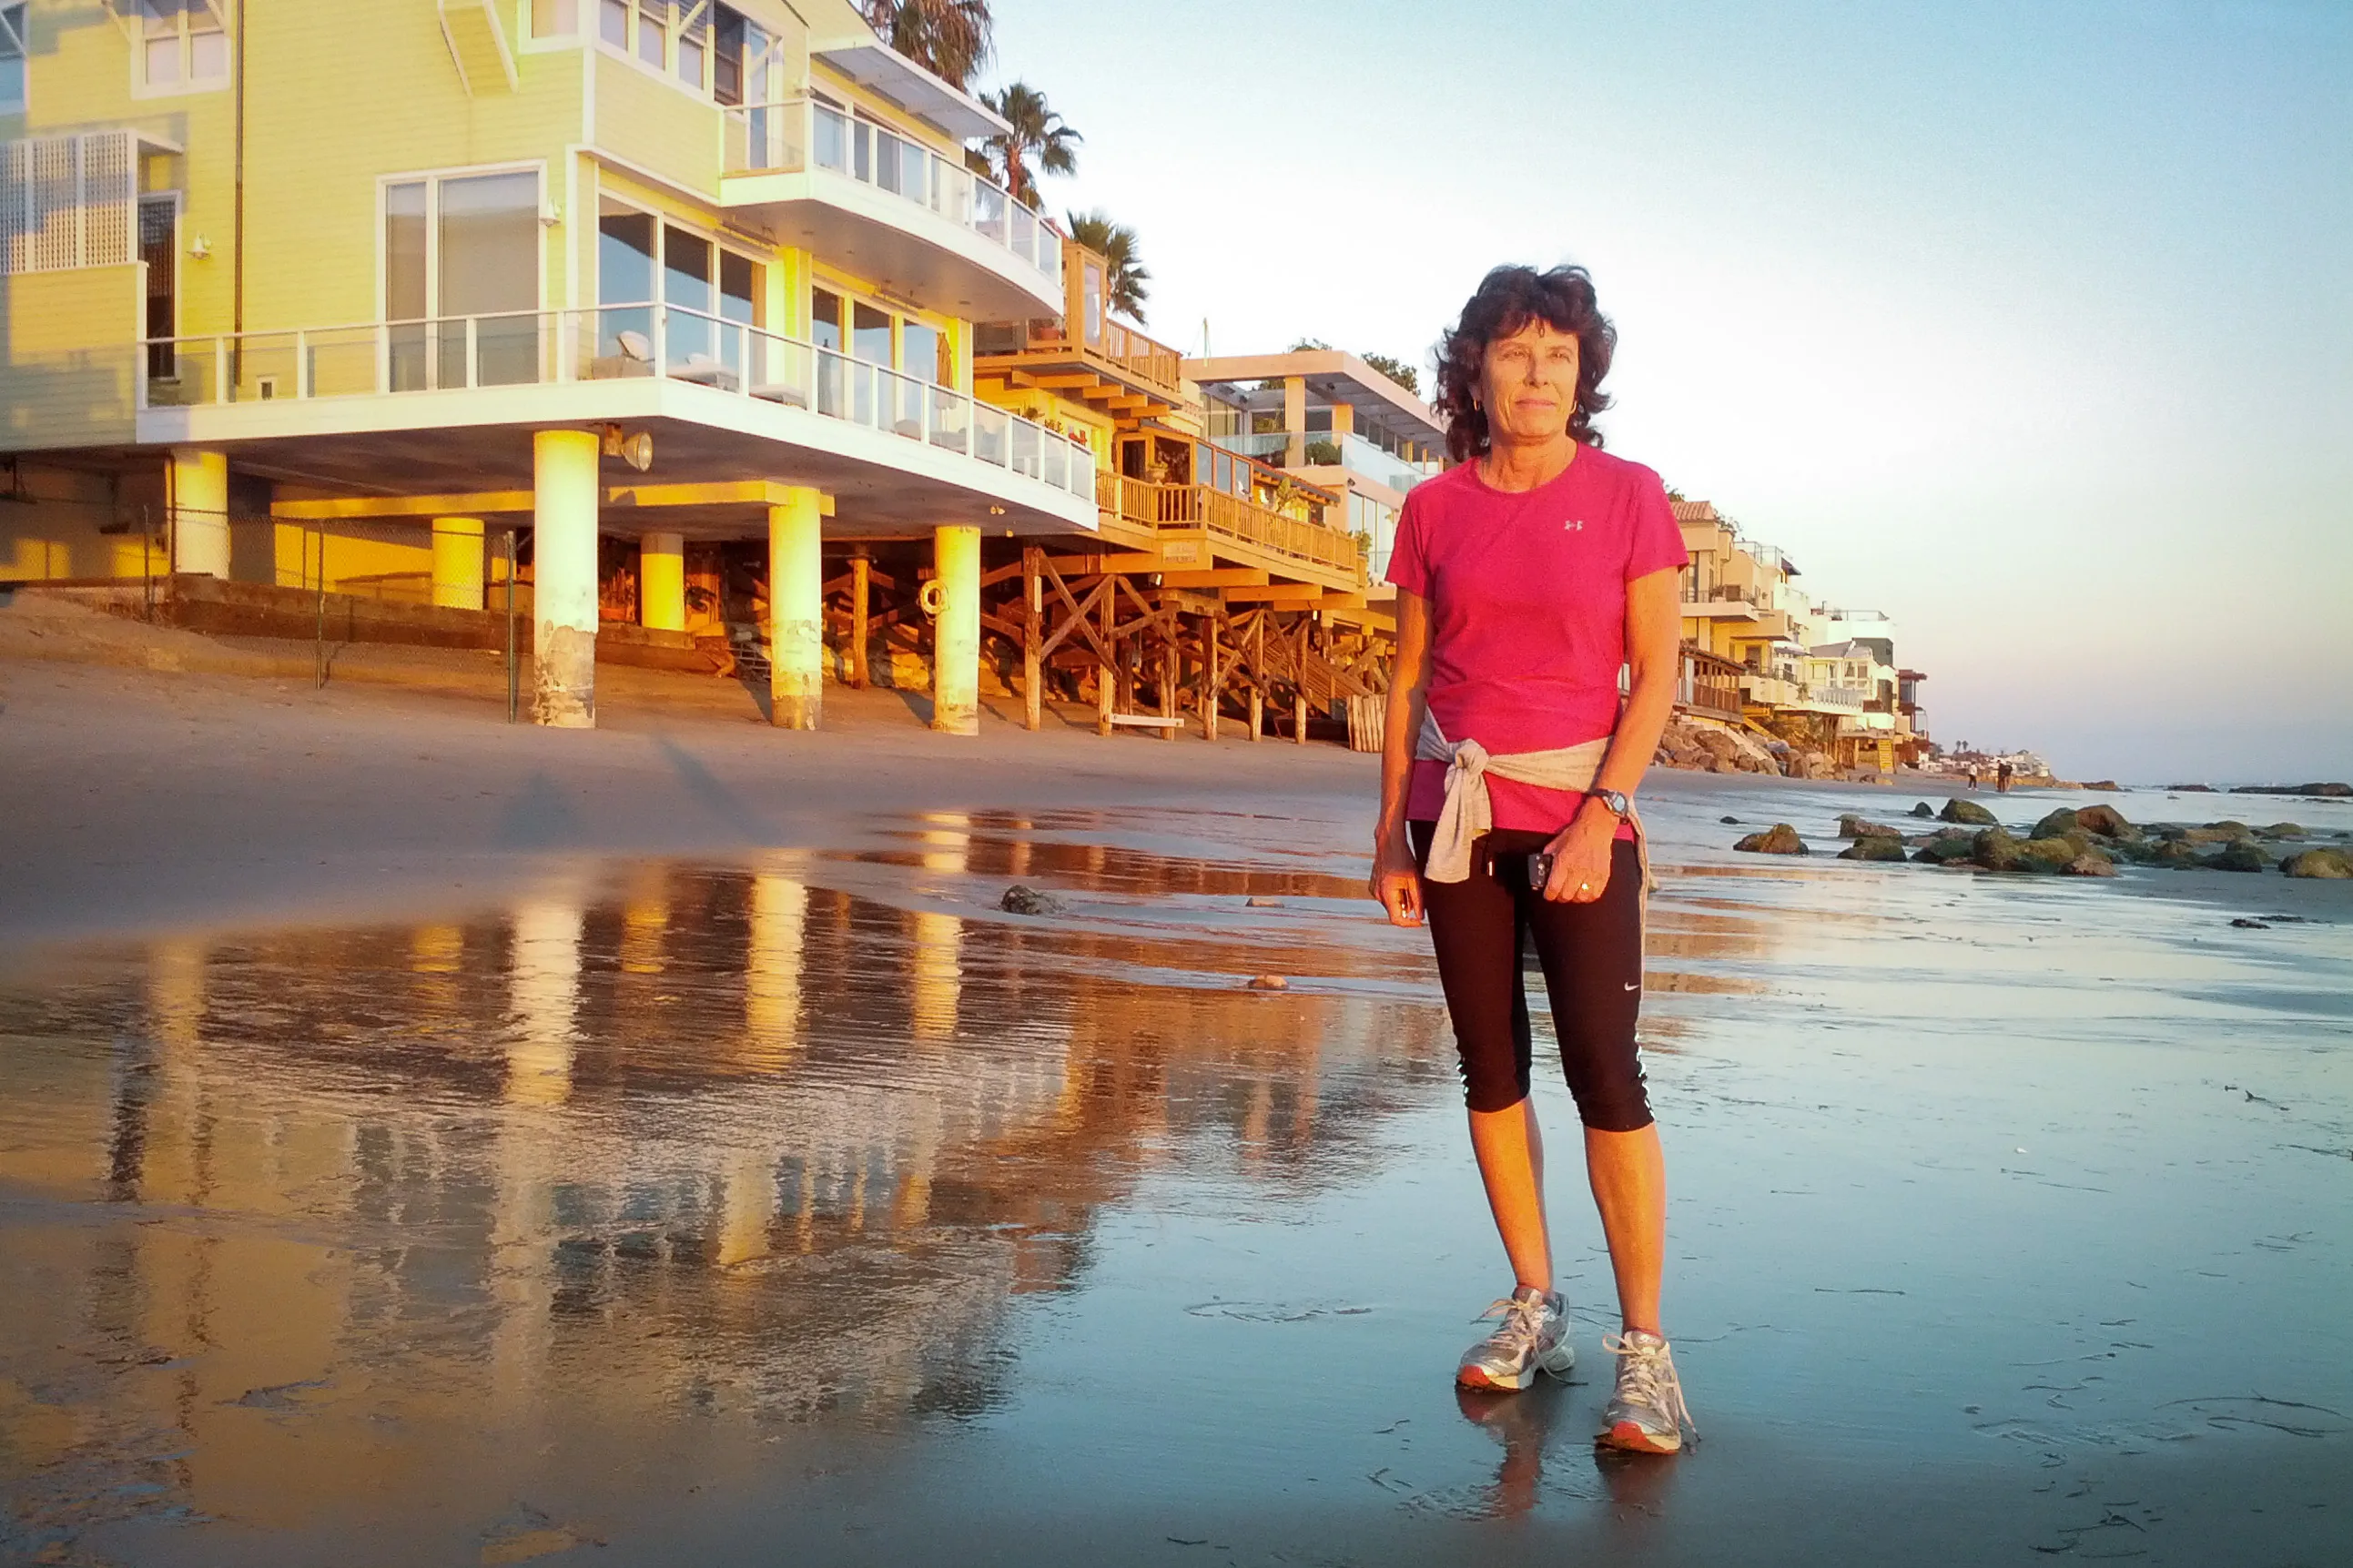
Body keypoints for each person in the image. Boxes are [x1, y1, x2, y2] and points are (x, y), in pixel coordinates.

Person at [1370, 263, 1697, 1455]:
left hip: (1581, 811)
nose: (1539, 372)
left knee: (1607, 1071)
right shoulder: (1435, 509)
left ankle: (1649, 1357)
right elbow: (1408, 678)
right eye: (1516, 352)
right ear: (1477, 370)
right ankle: (1535, 1304)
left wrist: (1604, 814)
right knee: (1489, 1065)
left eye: (1559, 353)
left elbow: (1658, 673)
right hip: (1454, 818)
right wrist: (1384, 832)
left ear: (1584, 372)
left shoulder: (1629, 498)